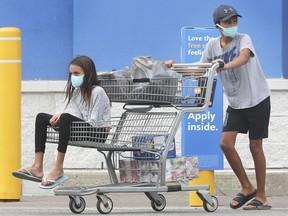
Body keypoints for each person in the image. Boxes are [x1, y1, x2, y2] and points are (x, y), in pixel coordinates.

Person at [199, 5, 271, 210]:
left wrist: (222, 65)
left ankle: (263, 196)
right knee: (225, 144)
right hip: (236, 102)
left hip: (257, 99)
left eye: (234, 21)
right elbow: (202, 69)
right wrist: (175, 68)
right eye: (227, 22)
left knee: (255, 146)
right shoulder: (212, 46)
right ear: (217, 26)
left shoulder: (243, 39)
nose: (232, 25)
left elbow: (244, 57)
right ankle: (247, 187)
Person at [12, 55, 111, 189]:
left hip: (97, 134)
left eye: (76, 73)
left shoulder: (97, 92)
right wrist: (59, 118)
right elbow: (75, 116)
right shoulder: (77, 93)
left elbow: (94, 122)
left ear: (87, 74)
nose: (73, 77)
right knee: (41, 117)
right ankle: (37, 167)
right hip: (83, 130)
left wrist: (65, 118)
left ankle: (58, 168)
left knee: (65, 117)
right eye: (71, 74)